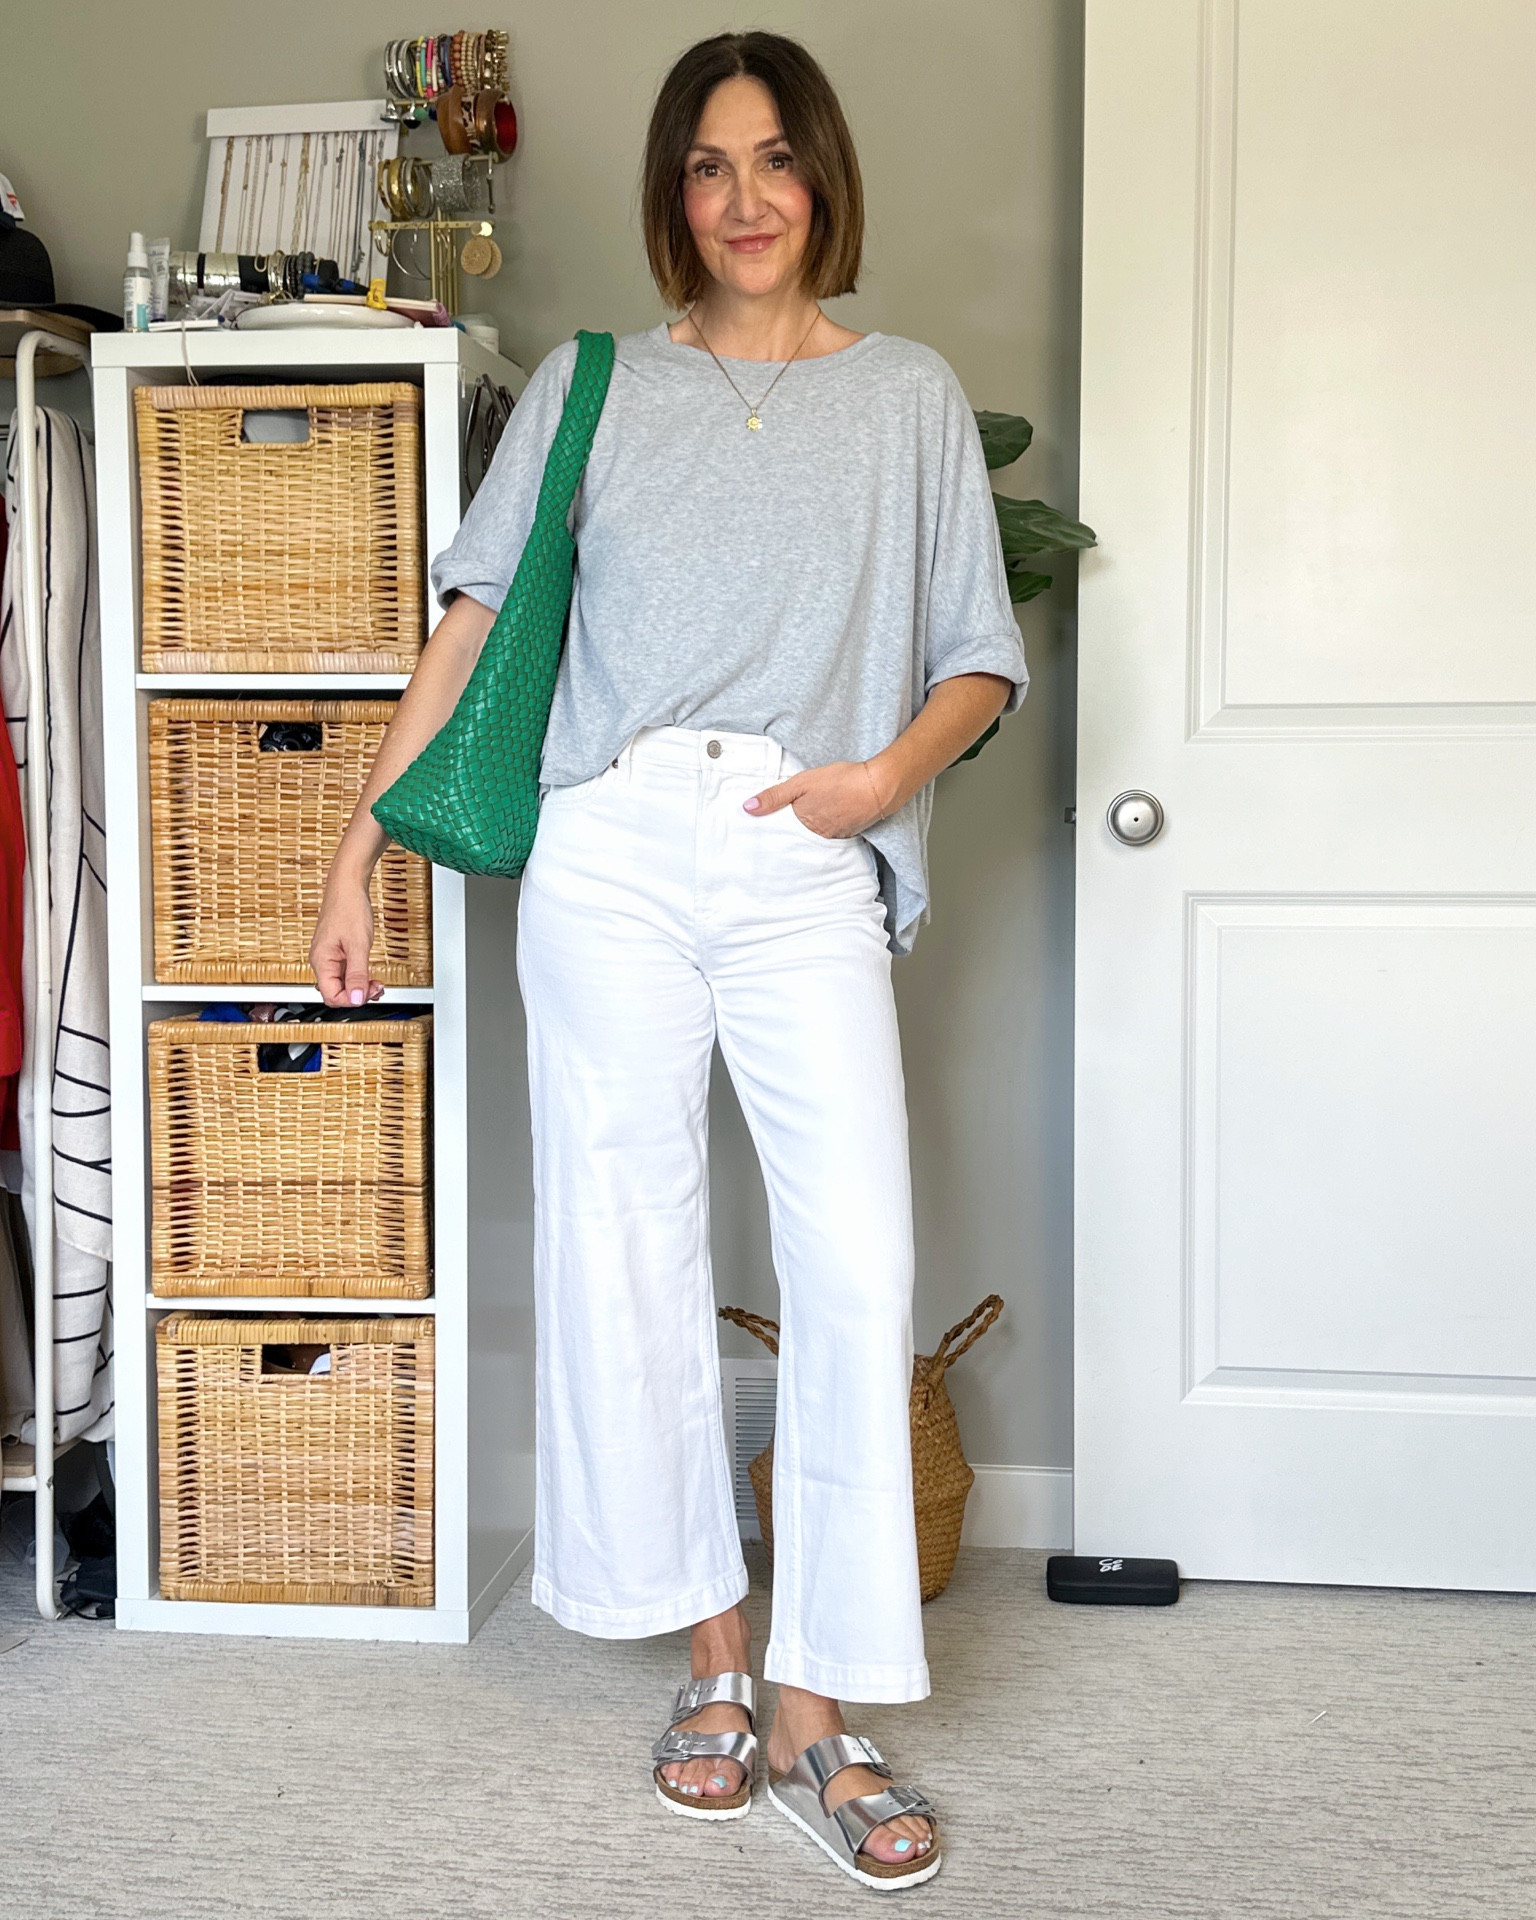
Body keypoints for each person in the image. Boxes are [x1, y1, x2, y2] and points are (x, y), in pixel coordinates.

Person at [311, 29, 1026, 1892]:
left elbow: (976, 654)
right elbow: (473, 617)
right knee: (626, 1244)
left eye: (775, 160)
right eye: (709, 168)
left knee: (855, 1256)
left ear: (825, 176)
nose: (746, 200)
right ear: (673, 194)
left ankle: (822, 1691)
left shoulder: (911, 397)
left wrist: (871, 782)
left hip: (807, 841)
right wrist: (356, 841)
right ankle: (715, 1653)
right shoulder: (594, 382)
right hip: (613, 845)